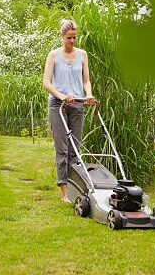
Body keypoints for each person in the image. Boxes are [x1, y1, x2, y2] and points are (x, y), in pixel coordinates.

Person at [43, 19, 94, 203]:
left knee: (75, 150)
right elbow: (46, 83)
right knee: (62, 149)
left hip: (78, 104)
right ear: (62, 36)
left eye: (75, 37)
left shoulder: (83, 55)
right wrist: (62, 95)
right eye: (69, 38)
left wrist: (88, 94)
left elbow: (86, 80)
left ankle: (74, 190)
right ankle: (64, 192)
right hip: (58, 105)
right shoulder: (53, 55)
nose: (72, 41)